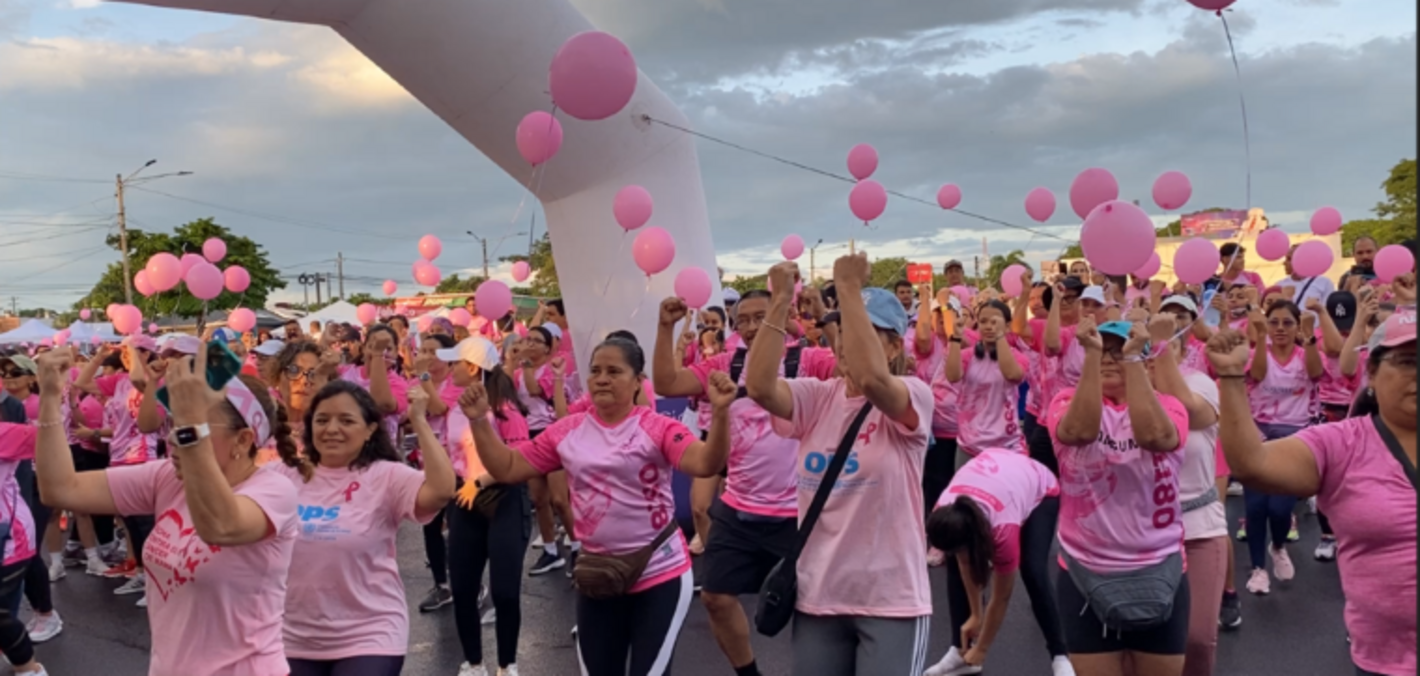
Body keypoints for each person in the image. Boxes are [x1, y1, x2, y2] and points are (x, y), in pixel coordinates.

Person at [465, 337, 735, 676]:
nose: (602, 378)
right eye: (595, 371)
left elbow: (707, 463)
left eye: (614, 371)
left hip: (659, 570)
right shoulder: (567, 431)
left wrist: (722, 413)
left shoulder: (657, 427)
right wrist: (478, 421)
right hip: (599, 575)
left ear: (638, 381)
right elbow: (507, 467)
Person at [35, 345, 300, 676]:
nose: (175, 437)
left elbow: (220, 525)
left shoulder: (273, 491)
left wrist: (190, 422)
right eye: (174, 422)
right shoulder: (167, 478)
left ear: (243, 440)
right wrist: (49, 398)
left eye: (194, 426)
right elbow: (59, 488)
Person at [745, 254, 935, 676]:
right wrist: (778, 302)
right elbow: (758, 386)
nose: (847, 341)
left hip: (891, 601)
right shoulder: (818, 397)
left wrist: (848, 287)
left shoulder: (914, 395)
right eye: (844, 330)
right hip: (818, 596)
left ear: (892, 346)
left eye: (863, 331)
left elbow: (871, 380)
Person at [1207, 310, 1416, 676]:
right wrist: (1229, 376)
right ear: (1371, 373)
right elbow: (1252, 464)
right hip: (1387, 662)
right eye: (1408, 361)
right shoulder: (1343, 443)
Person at [652, 277, 836, 676]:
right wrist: (665, 327)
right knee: (716, 597)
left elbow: (854, 366)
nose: (752, 327)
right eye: (744, 321)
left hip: (799, 514)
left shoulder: (807, 359)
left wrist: (825, 317)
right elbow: (666, 383)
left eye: (762, 317)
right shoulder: (726, 364)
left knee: (815, 609)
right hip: (739, 510)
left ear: (782, 315)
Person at [275, 380, 455, 676]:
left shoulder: (386, 476)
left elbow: (441, 490)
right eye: (322, 420)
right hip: (291, 638)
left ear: (370, 429)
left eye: (346, 420)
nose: (331, 429)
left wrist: (420, 420)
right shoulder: (284, 475)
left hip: (369, 634)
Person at [1046, 317, 1191, 676]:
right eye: (1101, 350)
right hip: (1084, 571)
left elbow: (1156, 437)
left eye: (1119, 350)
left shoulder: (1171, 406)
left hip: (1159, 568)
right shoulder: (1064, 401)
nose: (1110, 357)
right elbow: (1079, 431)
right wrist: (1093, 357)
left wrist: (1132, 362)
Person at [923, 450, 1071, 676]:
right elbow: (964, 561)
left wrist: (983, 648)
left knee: (1032, 569)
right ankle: (959, 651)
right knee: (954, 564)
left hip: (1040, 487)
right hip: (997, 475)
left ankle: (1060, 656)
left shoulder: (1003, 529)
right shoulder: (944, 512)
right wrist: (975, 614)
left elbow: (1001, 597)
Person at [437, 336, 533, 676]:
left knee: (505, 591)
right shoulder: (454, 409)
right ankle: (474, 663)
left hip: (504, 498)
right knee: (463, 589)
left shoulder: (504, 410)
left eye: (454, 364)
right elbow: (452, 456)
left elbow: (521, 458)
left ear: (473, 367)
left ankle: (507, 665)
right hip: (463, 504)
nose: (449, 370)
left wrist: (480, 482)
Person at [1142, 314, 1228, 676]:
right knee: (1147, 636)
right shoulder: (1122, 395)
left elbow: (1188, 413)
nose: (1156, 353)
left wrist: (1160, 352)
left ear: (1180, 350)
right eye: (1148, 347)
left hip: (1199, 529)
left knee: (1196, 637)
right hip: (1142, 536)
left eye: (1166, 344)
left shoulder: (1200, 384)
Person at [1238, 300, 1321, 595]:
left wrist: (1310, 339)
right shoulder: (1255, 353)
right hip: (1258, 435)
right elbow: (1258, 375)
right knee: (1256, 507)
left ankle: (1278, 546)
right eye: (1274, 322)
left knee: (1280, 508)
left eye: (1287, 322)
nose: (1280, 328)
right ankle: (1258, 569)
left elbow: (1316, 373)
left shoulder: (1305, 352)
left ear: (1297, 325)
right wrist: (1261, 337)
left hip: (1295, 438)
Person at [74, 337, 162, 601]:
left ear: (148, 354)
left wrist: (134, 350)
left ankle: (154, 580)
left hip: (141, 455)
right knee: (129, 522)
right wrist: (99, 356)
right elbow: (81, 383)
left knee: (145, 522)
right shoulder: (118, 381)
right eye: (123, 353)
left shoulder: (155, 380)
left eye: (134, 352)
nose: (127, 357)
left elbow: (140, 378)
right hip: (119, 455)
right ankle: (140, 573)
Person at [512, 326, 579, 575]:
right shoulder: (519, 372)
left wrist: (526, 366)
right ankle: (550, 550)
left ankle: (577, 546)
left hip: (552, 433)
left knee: (560, 499)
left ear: (548, 348)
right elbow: (507, 391)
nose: (529, 344)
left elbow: (534, 390)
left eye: (536, 341)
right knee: (539, 499)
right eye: (527, 339)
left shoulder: (552, 371)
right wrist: (511, 361)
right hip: (528, 435)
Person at [946, 299, 1027, 465]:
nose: (989, 326)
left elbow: (1012, 374)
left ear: (1007, 325)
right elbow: (952, 376)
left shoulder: (1018, 357)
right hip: (970, 445)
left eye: (995, 321)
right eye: (983, 321)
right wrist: (955, 337)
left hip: (1007, 444)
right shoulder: (968, 356)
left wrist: (999, 336)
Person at [339, 323, 409, 443]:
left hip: (379, 451)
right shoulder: (344, 372)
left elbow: (381, 403)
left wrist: (377, 355)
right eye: (374, 346)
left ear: (396, 352)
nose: (383, 352)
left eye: (388, 348)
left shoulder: (399, 384)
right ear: (364, 348)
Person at [1281, 245, 1336, 317]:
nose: (1284, 263)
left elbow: (1329, 312)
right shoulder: (1279, 285)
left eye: (1289, 259)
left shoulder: (1324, 283)